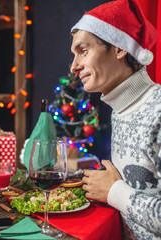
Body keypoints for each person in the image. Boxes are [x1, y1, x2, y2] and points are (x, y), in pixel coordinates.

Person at [69, 0, 160, 239]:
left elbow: (118, 192)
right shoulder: (119, 110)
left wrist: (113, 191)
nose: (74, 66)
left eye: (83, 51)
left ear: (119, 48)